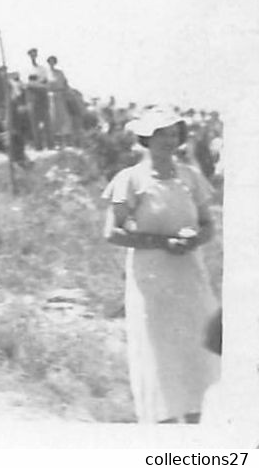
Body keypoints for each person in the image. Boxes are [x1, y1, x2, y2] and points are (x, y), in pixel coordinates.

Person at [103, 106, 220, 424]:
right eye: (161, 134)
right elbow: (112, 232)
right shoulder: (128, 180)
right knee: (160, 348)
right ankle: (164, 424)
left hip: (189, 275)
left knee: (196, 343)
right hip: (152, 279)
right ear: (146, 139)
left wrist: (194, 240)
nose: (169, 141)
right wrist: (161, 242)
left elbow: (209, 224)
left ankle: (197, 419)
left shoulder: (190, 176)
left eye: (173, 134)